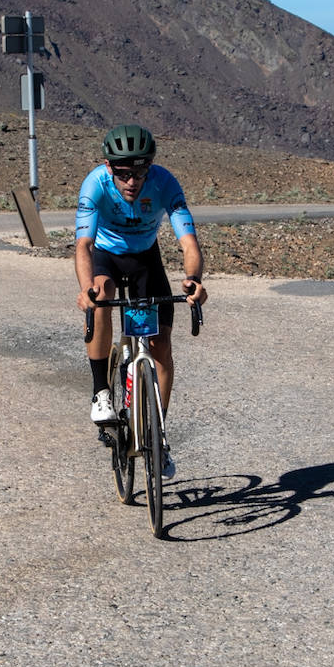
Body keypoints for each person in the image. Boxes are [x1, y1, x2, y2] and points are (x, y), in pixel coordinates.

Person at [75, 124, 208, 479]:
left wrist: (194, 280)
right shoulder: (95, 185)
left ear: (150, 166)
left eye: (140, 171)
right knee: (101, 295)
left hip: (145, 259)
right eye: (123, 173)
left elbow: (189, 244)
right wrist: (86, 288)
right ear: (109, 167)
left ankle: (157, 436)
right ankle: (101, 391)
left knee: (160, 347)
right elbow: (84, 246)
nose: (132, 181)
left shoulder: (165, 183)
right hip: (106, 255)